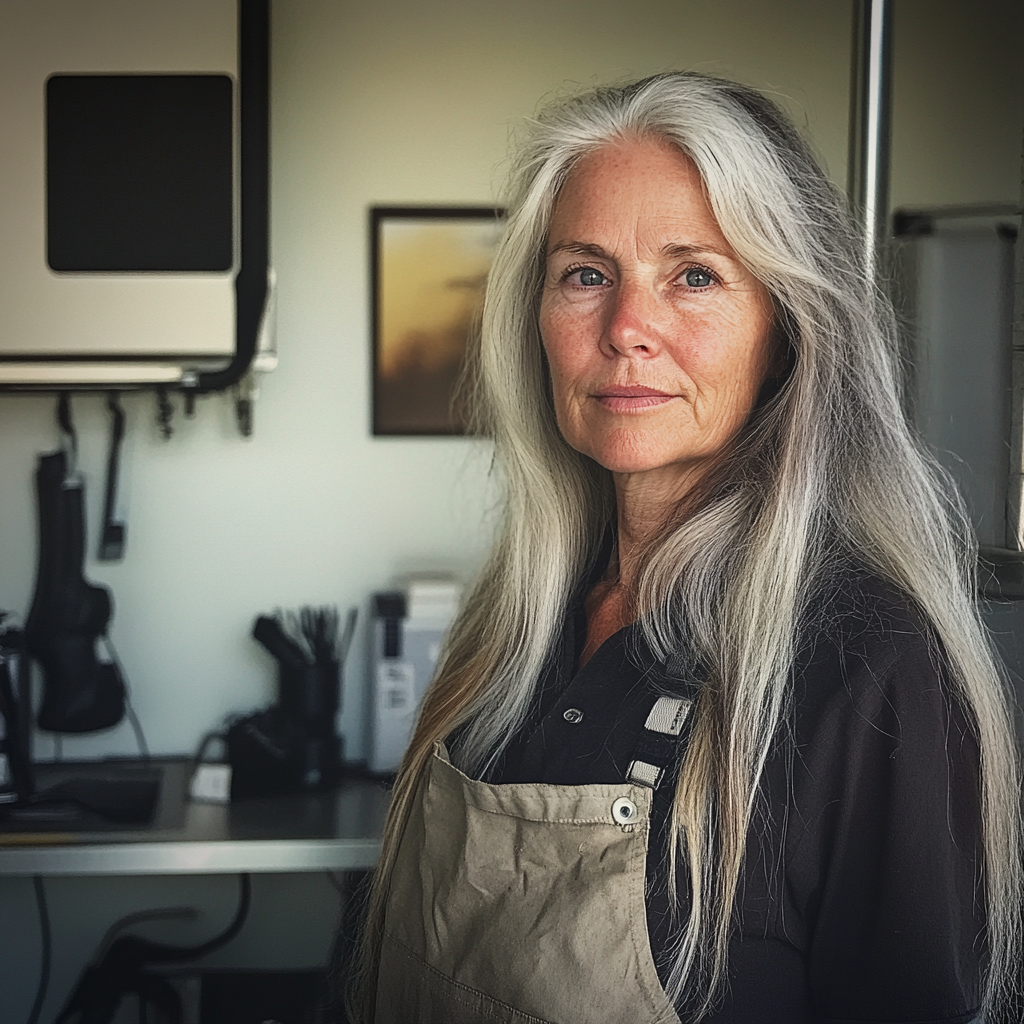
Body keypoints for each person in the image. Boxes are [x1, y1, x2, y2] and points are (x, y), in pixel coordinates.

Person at [348, 73, 1022, 1023]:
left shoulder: (871, 669)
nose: (627, 330)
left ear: (784, 329)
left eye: (694, 276)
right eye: (586, 273)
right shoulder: (513, 628)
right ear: (536, 320)